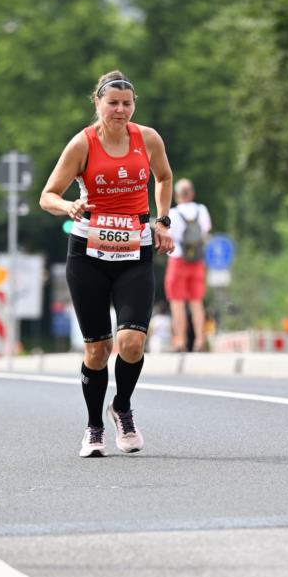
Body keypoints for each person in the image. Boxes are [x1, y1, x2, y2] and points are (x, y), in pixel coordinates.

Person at [40, 70, 174, 457]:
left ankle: (122, 407)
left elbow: (163, 178)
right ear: (97, 103)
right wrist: (70, 205)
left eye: (126, 103)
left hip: (135, 251)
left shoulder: (147, 139)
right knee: (97, 350)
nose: (120, 110)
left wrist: (162, 220)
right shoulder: (82, 144)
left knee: (131, 343)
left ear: (134, 105)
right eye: (112, 103)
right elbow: (47, 195)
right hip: (88, 256)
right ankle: (94, 426)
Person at [164, 178, 212, 351]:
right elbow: (205, 230)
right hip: (197, 260)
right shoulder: (202, 210)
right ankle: (200, 340)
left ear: (176, 195)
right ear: (192, 193)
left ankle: (180, 340)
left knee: (177, 302)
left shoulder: (173, 213)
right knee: (196, 302)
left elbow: (169, 234)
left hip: (178, 259)